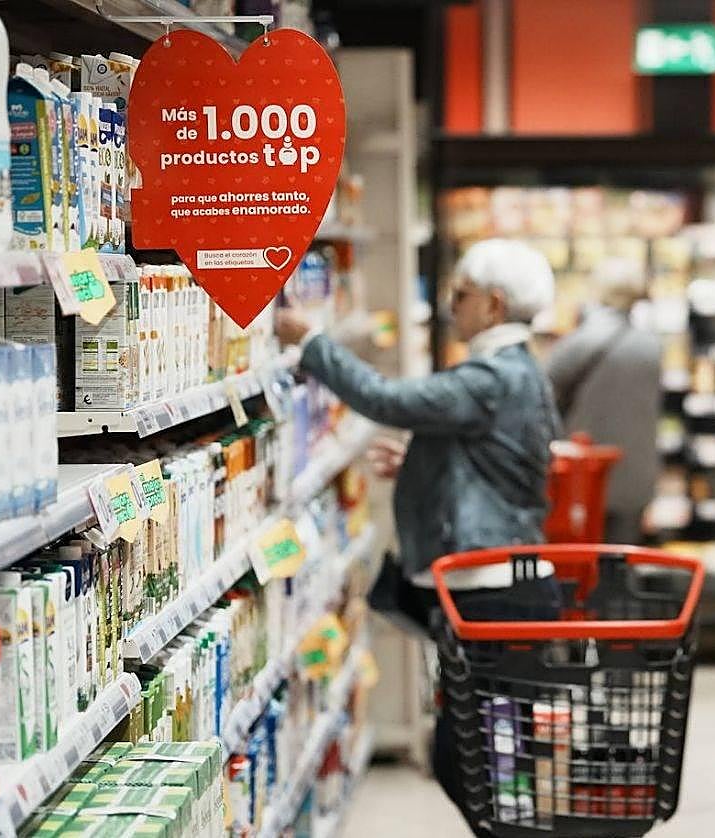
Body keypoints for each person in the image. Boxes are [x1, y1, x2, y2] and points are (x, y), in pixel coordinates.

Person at [274, 237, 562, 837]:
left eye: (461, 294)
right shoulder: (516, 371)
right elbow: (493, 462)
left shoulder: (493, 374)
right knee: (484, 752)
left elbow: (388, 399)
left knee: (475, 756)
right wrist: (421, 467)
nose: (452, 305)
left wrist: (312, 342)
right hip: (500, 580)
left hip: (490, 586)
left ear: (494, 304)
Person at [545, 257, 661, 544]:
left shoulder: (579, 342)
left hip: (584, 477)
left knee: (581, 566)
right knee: (621, 562)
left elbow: (542, 394)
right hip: (635, 476)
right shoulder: (651, 346)